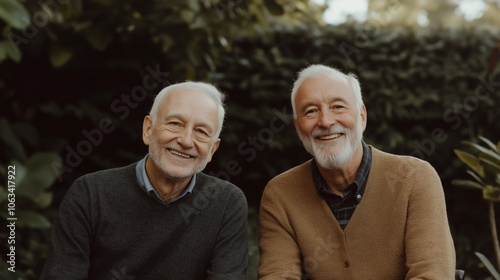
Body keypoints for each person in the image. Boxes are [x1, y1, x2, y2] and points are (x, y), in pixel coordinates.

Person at [258, 64, 456, 279]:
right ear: (298, 127)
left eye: (338, 107)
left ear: (361, 116)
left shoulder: (415, 178)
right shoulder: (280, 194)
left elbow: (432, 275)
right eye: (311, 111)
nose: (325, 121)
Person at [41, 81, 248, 279]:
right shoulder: (90, 193)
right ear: (148, 129)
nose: (185, 141)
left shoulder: (227, 203)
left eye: (201, 132)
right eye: (175, 124)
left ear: (212, 149)